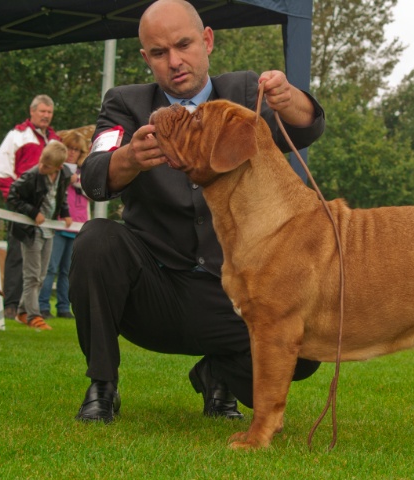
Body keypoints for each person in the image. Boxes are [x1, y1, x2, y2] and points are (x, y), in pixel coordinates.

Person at [70, 0, 326, 424]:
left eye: (183, 44)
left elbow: (306, 128)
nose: (174, 61)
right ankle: (102, 385)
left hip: (231, 290)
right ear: (145, 58)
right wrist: (130, 158)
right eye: (158, 52)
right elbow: (94, 175)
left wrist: (289, 97)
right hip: (154, 287)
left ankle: (217, 375)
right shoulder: (125, 104)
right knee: (96, 238)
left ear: (207, 41)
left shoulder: (245, 92)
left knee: (305, 350)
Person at [0, 94, 61, 320]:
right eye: (42, 111)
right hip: (21, 206)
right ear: (32, 112)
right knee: (16, 256)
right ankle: (11, 305)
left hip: (45, 211)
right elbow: (1, 170)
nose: (46, 116)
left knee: (40, 262)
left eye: (49, 112)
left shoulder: (54, 140)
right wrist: (15, 202)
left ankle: (29, 308)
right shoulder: (17, 135)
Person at [6, 141, 73, 330]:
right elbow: (12, 196)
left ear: (58, 168)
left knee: (42, 275)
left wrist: (65, 212)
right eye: (41, 162)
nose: (41, 166)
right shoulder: (30, 176)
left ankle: (22, 311)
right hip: (30, 231)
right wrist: (33, 212)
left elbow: (61, 196)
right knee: (32, 275)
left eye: (46, 166)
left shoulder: (64, 175)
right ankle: (34, 316)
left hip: (49, 230)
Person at [39, 131, 91, 319]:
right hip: (58, 224)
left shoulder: (84, 172)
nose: (72, 153)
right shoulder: (56, 170)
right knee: (50, 268)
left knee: (68, 271)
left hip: (78, 226)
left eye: (76, 150)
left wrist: (78, 182)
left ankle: (63, 307)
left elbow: (94, 192)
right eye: (70, 148)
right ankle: (42, 306)